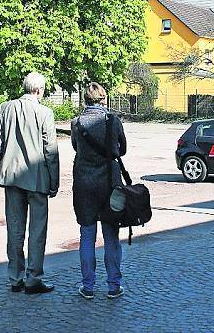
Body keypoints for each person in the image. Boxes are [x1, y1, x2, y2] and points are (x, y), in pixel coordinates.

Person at [0, 72, 60, 294]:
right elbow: (50, 150)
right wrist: (54, 180)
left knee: (14, 228)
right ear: (39, 90)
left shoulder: (5, 108)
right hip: (37, 178)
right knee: (37, 230)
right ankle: (33, 278)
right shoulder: (45, 112)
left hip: (11, 176)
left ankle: (15, 277)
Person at [71, 82, 127, 300]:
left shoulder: (76, 123)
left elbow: (76, 147)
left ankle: (88, 286)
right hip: (110, 183)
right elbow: (122, 149)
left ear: (85, 99)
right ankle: (114, 285)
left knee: (87, 235)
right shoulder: (113, 121)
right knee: (111, 235)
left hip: (84, 184)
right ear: (103, 98)